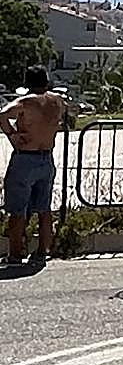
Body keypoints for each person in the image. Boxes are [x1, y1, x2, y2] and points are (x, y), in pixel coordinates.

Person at [0, 66, 64, 267]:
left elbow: (3, 114)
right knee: (44, 209)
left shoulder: (26, 102)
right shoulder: (56, 101)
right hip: (46, 157)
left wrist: (12, 135)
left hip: (26, 157)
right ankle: (42, 250)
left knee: (17, 209)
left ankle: (15, 254)